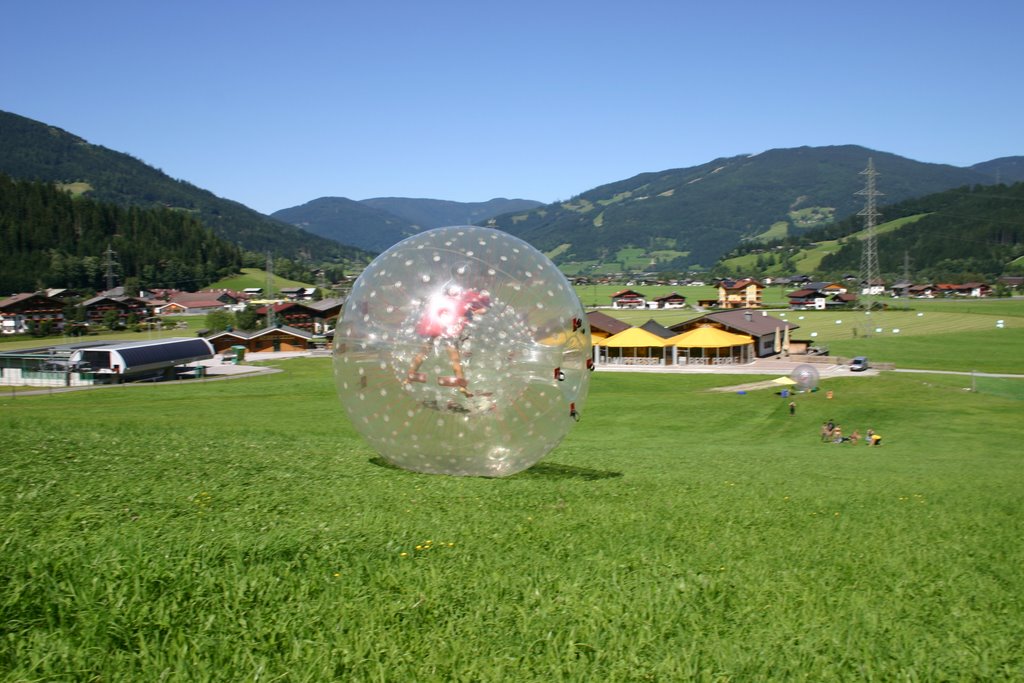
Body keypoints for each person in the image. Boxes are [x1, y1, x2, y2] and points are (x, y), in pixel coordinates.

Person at [404, 286, 491, 397]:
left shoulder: (442, 298)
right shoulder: (465, 298)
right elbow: (483, 310)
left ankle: (409, 378)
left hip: (434, 326)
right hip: (449, 328)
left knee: (422, 353)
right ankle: (462, 386)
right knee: (455, 359)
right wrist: (474, 313)